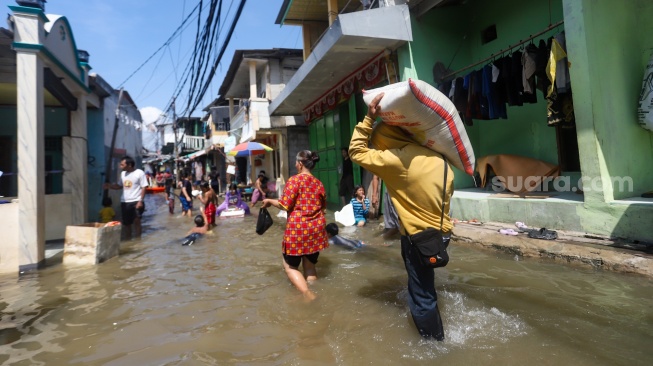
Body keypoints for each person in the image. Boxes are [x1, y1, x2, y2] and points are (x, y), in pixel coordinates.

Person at [349, 93, 454, 341]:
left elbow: (356, 151)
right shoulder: (440, 158)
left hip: (418, 238)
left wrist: (368, 119)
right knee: (426, 285)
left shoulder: (397, 159)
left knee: (421, 297)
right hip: (442, 235)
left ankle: (433, 346)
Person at [261, 150, 328, 301]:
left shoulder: (294, 180)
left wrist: (270, 201)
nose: (295, 164)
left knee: (290, 267)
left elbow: (284, 205)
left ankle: (308, 294)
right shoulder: (319, 183)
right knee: (310, 266)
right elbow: (323, 207)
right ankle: (316, 292)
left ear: (300, 164)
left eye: (296, 162)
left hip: (298, 229)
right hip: (316, 228)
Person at [104, 156, 149, 240]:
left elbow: (144, 187)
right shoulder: (123, 174)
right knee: (126, 223)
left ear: (129, 165)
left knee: (137, 221)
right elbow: (119, 186)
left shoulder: (139, 173)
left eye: (122, 164)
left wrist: (140, 201)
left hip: (136, 201)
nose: (120, 166)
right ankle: (129, 239)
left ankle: (138, 240)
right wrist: (110, 186)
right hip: (125, 202)